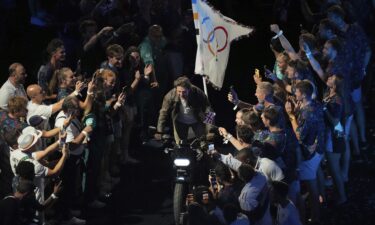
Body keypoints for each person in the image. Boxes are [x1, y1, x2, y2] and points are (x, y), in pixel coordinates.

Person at [155, 77, 212, 143]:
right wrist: (160, 131)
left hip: (197, 120)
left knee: (204, 142)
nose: (181, 94)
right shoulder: (170, 95)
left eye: (184, 92)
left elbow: (209, 110)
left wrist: (210, 129)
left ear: (189, 89)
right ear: (176, 89)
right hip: (180, 122)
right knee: (180, 145)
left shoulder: (197, 92)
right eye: (179, 91)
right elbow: (163, 113)